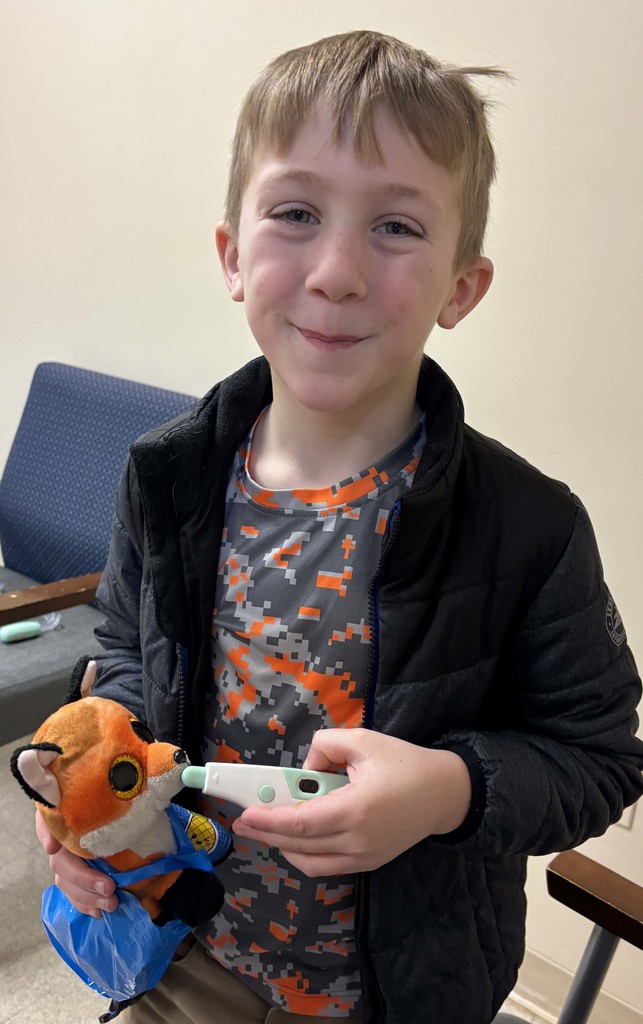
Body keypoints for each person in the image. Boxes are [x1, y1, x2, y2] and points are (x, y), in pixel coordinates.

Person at [36, 29, 643, 1024]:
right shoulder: (166, 475)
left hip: (398, 995)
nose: (335, 271)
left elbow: (601, 760)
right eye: (295, 213)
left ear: (460, 287)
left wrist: (448, 788)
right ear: (232, 255)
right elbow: (127, 651)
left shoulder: (530, 527)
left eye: (396, 226)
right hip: (183, 946)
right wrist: (92, 786)